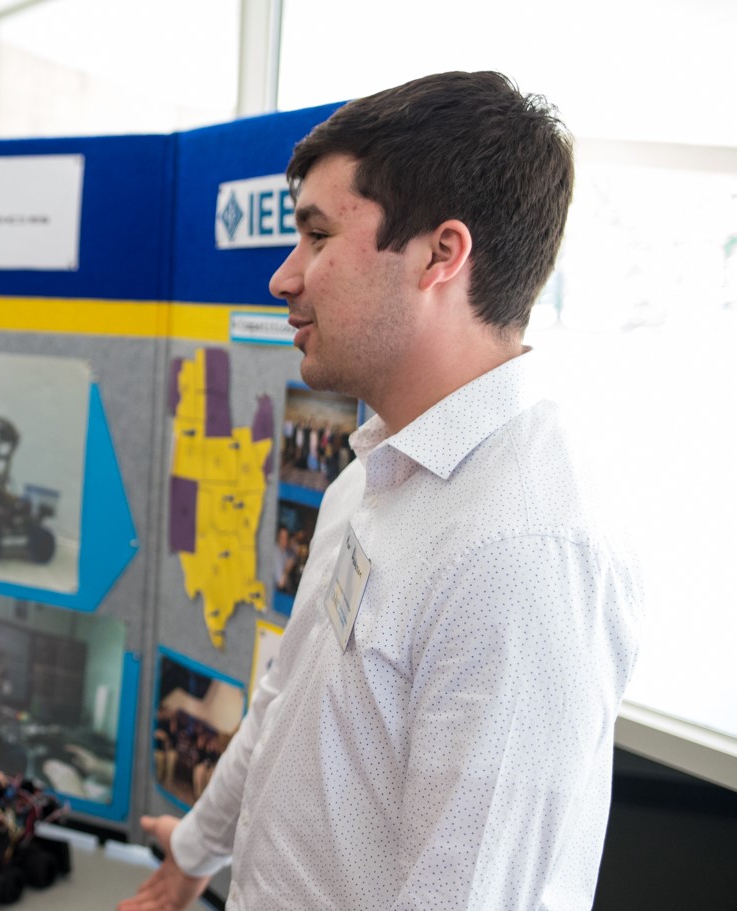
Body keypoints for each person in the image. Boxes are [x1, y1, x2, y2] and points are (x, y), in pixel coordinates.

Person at [120, 71, 642, 910]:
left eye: (319, 237)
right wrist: (194, 852)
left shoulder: (520, 555)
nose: (284, 278)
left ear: (442, 253)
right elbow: (288, 701)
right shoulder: (375, 473)